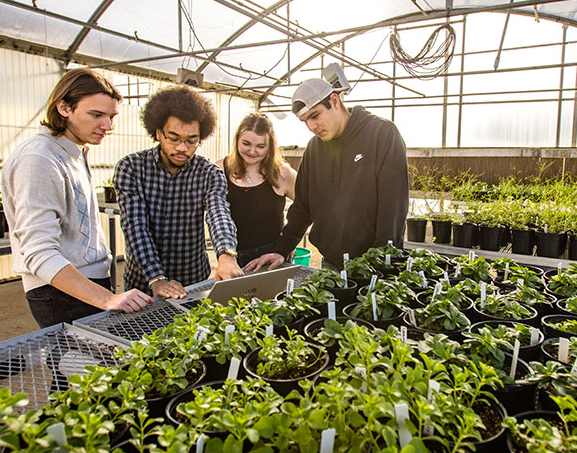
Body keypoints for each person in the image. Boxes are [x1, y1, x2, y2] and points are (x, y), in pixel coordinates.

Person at [2, 68, 153, 328]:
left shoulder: (73, 152)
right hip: (59, 292)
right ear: (64, 108)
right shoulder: (39, 159)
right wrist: (107, 298)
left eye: (111, 116)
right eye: (96, 115)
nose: (107, 126)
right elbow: (39, 253)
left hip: (84, 285)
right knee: (78, 366)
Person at [245, 78, 409, 272]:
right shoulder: (314, 149)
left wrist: (381, 264)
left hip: (374, 267)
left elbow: (393, 209)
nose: (312, 127)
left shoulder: (381, 134)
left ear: (334, 101)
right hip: (331, 263)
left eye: (315, 115)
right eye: (305, 121)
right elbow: (302, 207)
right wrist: (282, 250)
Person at [114, 85, 242, 299]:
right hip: (143, 283)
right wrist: (156, 277)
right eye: (173, 138)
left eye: (192, 140)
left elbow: (218, 213)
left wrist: (226, 254)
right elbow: (135, 226)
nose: (183, 148)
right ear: (158, 133)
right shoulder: (132, 168)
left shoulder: (209, 173)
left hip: (193, 283)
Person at [217, 113, 297, 268]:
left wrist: (288, 243)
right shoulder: (220, 169)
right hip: (232, 258)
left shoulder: (284, 174)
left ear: (270, 146)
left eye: (261, 146)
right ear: (237, 140)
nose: (252, 151)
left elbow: (306, 208)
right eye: (246, 143)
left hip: (272, 258)